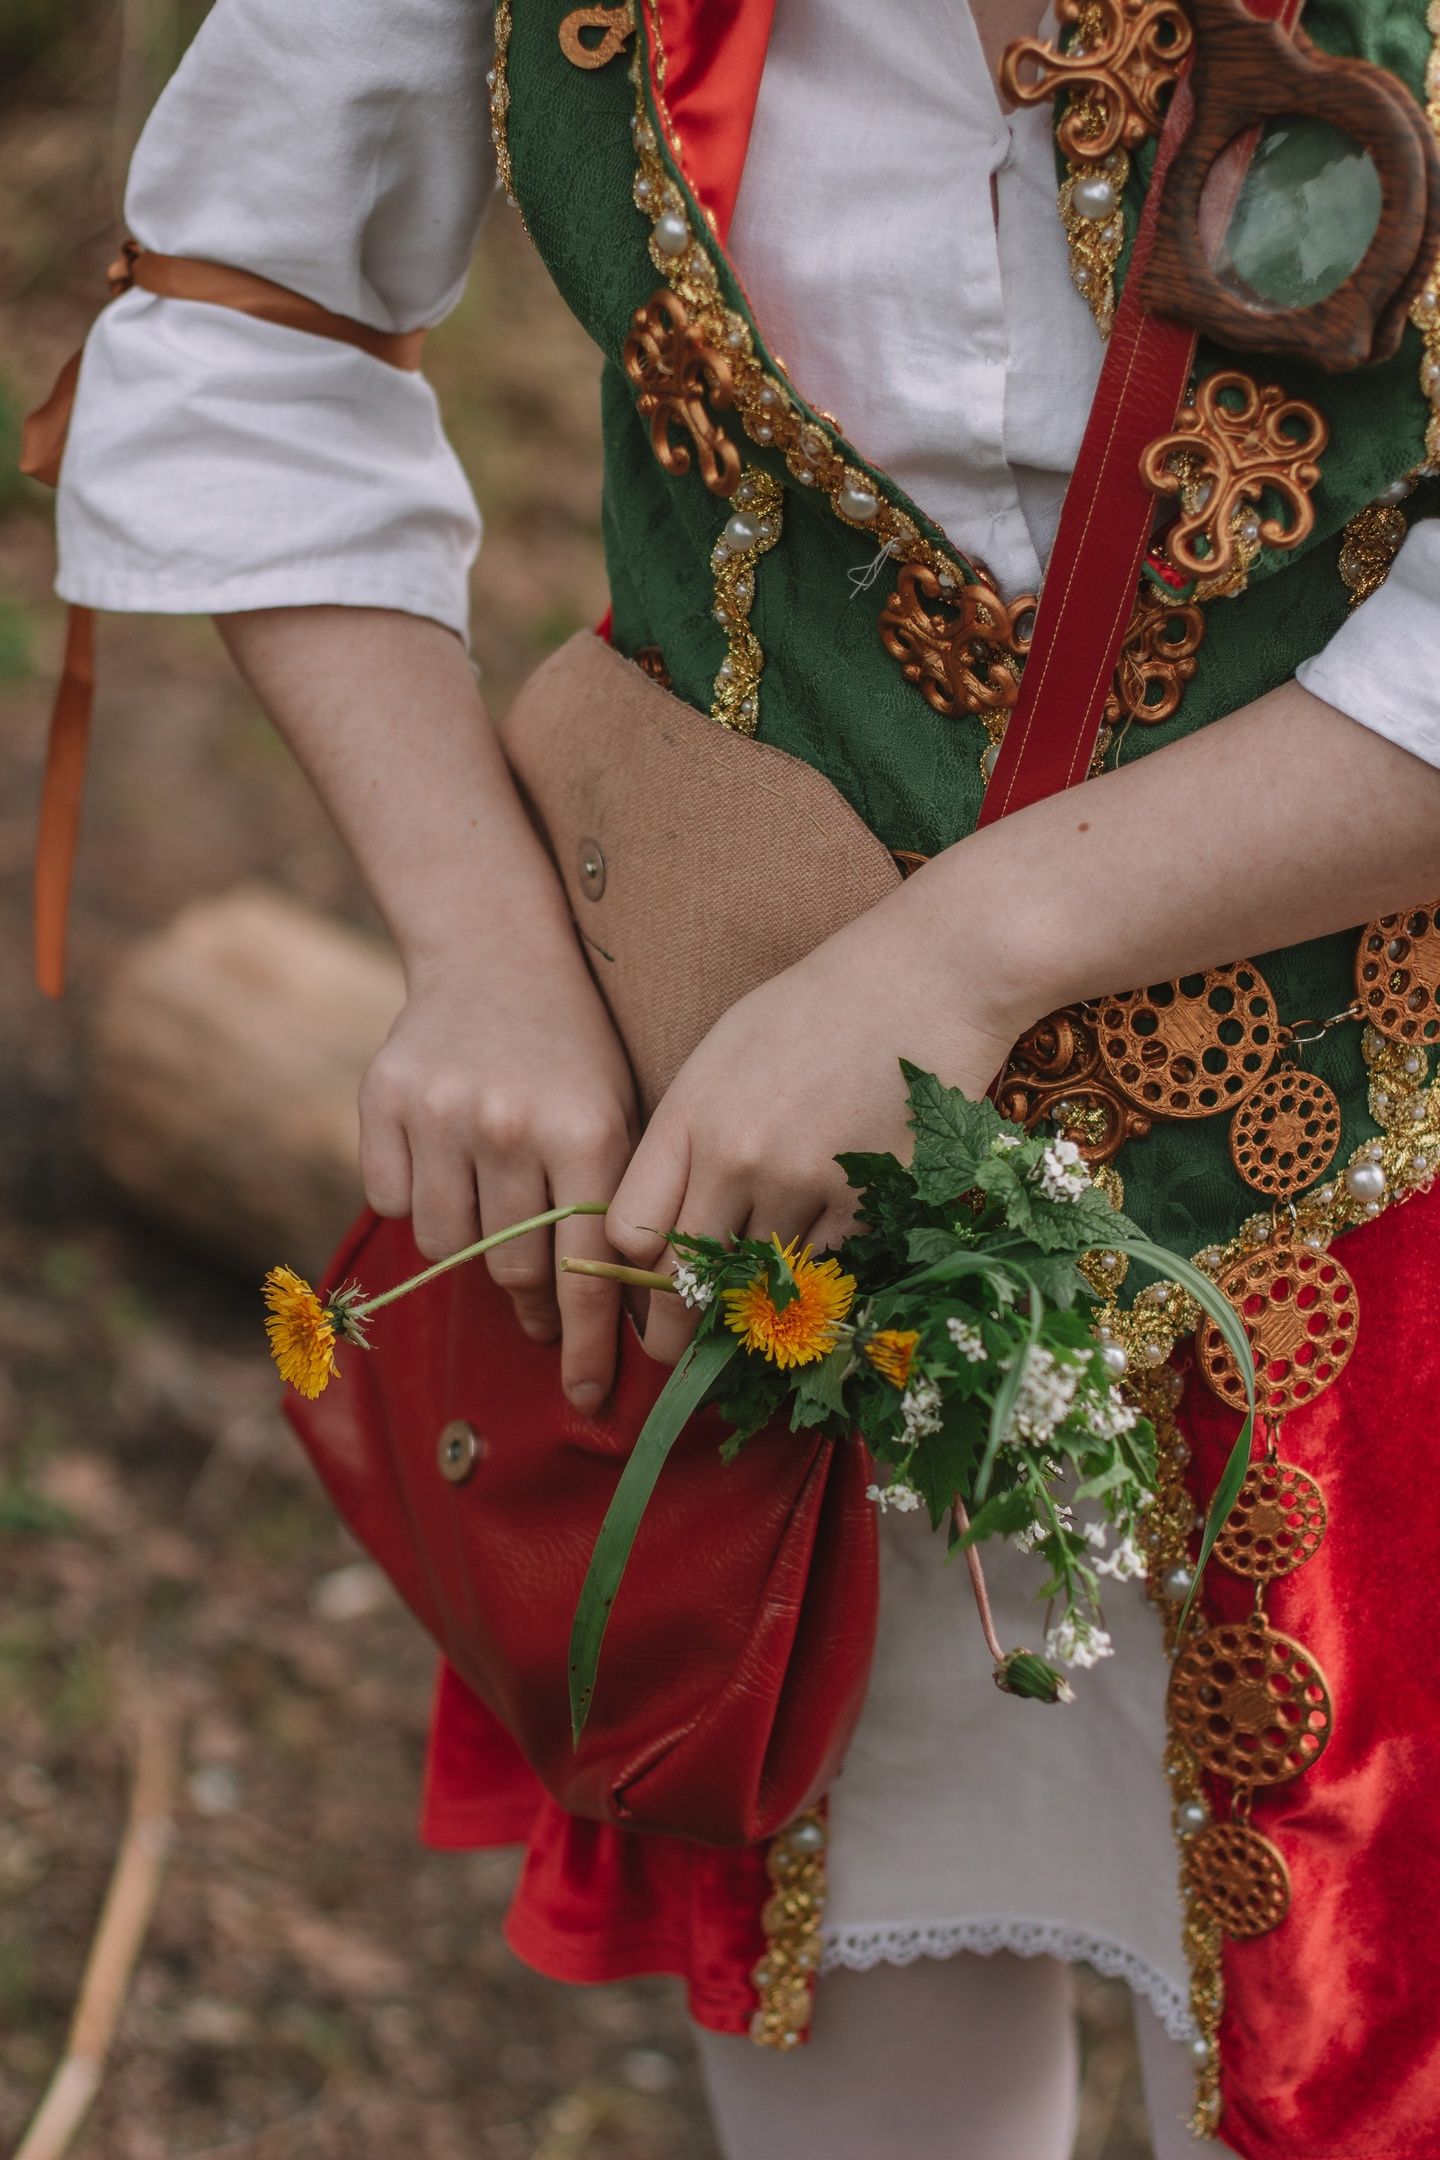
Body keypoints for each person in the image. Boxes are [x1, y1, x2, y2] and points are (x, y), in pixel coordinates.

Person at [45, 1, 1440, 2154]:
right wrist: (486, 949)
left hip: (1365, 1203)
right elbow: (256, 299)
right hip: (748, 1189)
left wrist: (964, 952)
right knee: (844, 2056)